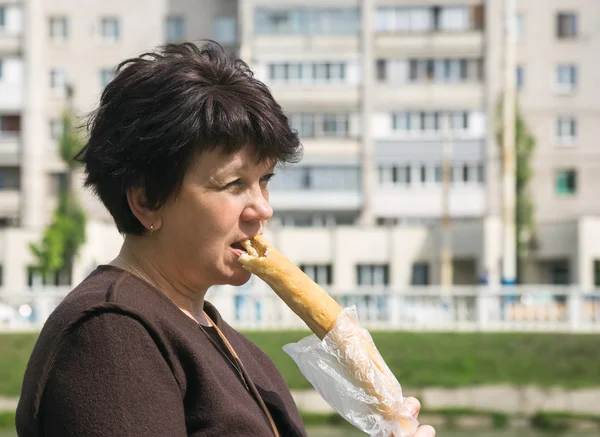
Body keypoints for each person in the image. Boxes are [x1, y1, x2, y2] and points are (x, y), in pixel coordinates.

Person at [15, 41, 435, 437]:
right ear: (146, 200)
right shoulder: (112, 336)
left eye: (264, 180)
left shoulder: (230, 342)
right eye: (234, 184)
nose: (262, 209)